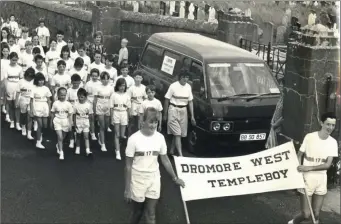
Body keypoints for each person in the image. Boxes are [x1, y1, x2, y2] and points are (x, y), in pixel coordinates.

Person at [124, 107, 185, 224]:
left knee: (151, 213)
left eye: (156, 122)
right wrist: (127, 189)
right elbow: (127, 166)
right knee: (137, 212)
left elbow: (165, 159)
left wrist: (175, 178)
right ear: (143, 121)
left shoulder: (160, 138)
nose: (153, 125)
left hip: (154, 178)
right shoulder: (133, 139)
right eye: (151, 122)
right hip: (138, 179)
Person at [288, 112, 339, 224]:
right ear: (321, 123)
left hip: (321, 178)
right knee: (306, 214)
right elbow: (299, 155)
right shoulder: (310, 137)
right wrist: (299, 170)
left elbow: (327, 165)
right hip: (307, 178)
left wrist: (308, 168)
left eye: (333, 125)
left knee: (315, 214)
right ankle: (293, 222)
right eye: (328, 124)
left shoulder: (333, 143)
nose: (330, 128)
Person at [163, 68, 196, 156]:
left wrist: (192, 116)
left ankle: (171, 151)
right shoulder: (173, 86)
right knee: (177, 133)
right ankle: (181, 155)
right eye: (184, 77)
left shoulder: (188, 87)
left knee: (179, 133)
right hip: (173, 109)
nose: (186, 79)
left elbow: (190, 101)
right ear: (180, 77)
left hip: (183, 111)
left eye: (187, 77)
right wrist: (165, 114)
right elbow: (167, 99)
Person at [110, 78, 131, 160]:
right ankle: (117, 151)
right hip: (116, 113)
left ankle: (119, 145)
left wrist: (128, 118)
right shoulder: (114, 95)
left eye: (123, 85)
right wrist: (112, 118)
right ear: (117, 86)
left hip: (124, 113)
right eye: (120, 86)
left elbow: (128, 108)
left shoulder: (127, 95)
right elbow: (111, 108)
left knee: (122, 135)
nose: (122, 87)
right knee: (117, 134)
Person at [30, 72, 52, 149]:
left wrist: (49, 110)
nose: (41, 82)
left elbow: (49, 100)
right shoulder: (34, 88)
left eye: (42, 80)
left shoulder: (46, 88)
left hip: (45, 106)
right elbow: (31, 101)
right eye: (39, 80)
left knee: (45, 125)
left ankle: (40, 135)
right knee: (40, 125)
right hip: (37, 106)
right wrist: (31, 111)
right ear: (36, 81)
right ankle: (38, 142)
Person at [50, 87, 73, 160]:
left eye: (64, 95)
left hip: (65, 121)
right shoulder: (55, 103)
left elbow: (70, 115)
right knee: (60, 137)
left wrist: (70, 123)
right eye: (61, 95)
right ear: (58, 95)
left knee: (62, 137)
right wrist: (51, 122)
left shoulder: (68, 104)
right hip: (57, 121)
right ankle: (61, 152)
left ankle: (58, 145)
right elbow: (52, 113)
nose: (63, 97)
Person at [93, 71, 114, 152]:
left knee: (106, 126)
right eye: (103, 79)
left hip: (108, 107)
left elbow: (112, 99)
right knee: (102, 126)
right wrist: (95, 110)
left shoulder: (111, 88)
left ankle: (100, 136)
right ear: (101, 79)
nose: (105, 81)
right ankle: (103, 144)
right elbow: (95, 100)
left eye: (107, 79)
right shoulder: (97, 87)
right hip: (100, 107)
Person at [3, 52, 23, 129]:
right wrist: (6, 89)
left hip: (17, 86)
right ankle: (12, 121)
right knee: (11, 105)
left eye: (15, 60)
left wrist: (21, 89)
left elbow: (21, 79)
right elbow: (5, 79)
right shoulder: (6, 68)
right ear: (10, 59)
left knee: (17, 105)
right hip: (9, 86)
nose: (14, 61)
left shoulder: (19, 68)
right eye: (12, 60)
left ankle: (17, 123)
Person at [15, 67, 35, 139]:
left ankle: (29, 133)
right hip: (23, 99)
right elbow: (17, 92)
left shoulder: (33, 81)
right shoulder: (21, 81)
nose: (29, 78)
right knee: (23, 114)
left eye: (31, 76)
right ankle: (23, 126)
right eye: (28, 76)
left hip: (31, 99)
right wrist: (16, 102)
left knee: (30, 115)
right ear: (26, 75)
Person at [73, 88, 93, 156]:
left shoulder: (88, 105)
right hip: (78, 121)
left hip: (85, 121)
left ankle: (87, 150)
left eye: (82, 97)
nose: (80, 98)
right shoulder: (75, 104)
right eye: (79, 97)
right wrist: (74, 123)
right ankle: (77, 148)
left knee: (86, 136)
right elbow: (74, 114)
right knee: (78, 136)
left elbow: (90, 115)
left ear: (85, 97)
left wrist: (89, 123)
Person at [127, 70, 146, 136]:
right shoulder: (131, 88)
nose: (138, 79)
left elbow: (145, 98)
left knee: (140, 122)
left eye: (140, 78)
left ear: (142, 79)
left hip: (141, 106)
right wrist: (129, 110)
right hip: (133, 105)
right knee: (132, 122)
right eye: (137, 77)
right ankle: (129, 136)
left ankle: (138, 136)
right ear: (134, 78)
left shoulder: (144, 87)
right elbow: (128, 99)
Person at [84, 68, 101, 140]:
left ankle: (100, 133)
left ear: (98, 76)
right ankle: (92, 133)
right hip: (89, 101)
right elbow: (85, 94)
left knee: (99, 118)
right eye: (93, 76)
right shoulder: (88, 83)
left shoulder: (100, 83)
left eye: (96, 76)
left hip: (98, 102)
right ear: (91, 76)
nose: (94, 77)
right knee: (91, 118)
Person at [66, 74, 82, 149]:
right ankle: (71, 140)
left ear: (80, 82)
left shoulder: (81, 90)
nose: (76, 84)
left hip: (79, 110)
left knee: (78, 125)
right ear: (72, 82)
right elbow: (67, 101)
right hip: (71, 110)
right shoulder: (69, 90)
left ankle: (77, 139)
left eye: (77, 83)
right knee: (71, 126)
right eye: (74, 83)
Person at [1, 43, 10, 114]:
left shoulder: (10, 61)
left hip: (8, 79)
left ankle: (4, 107)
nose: (5, 53)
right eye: (4, 51)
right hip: (1, 78)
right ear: (2, 52)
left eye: (7, 51)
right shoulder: (1, 61)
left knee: (6, 94)